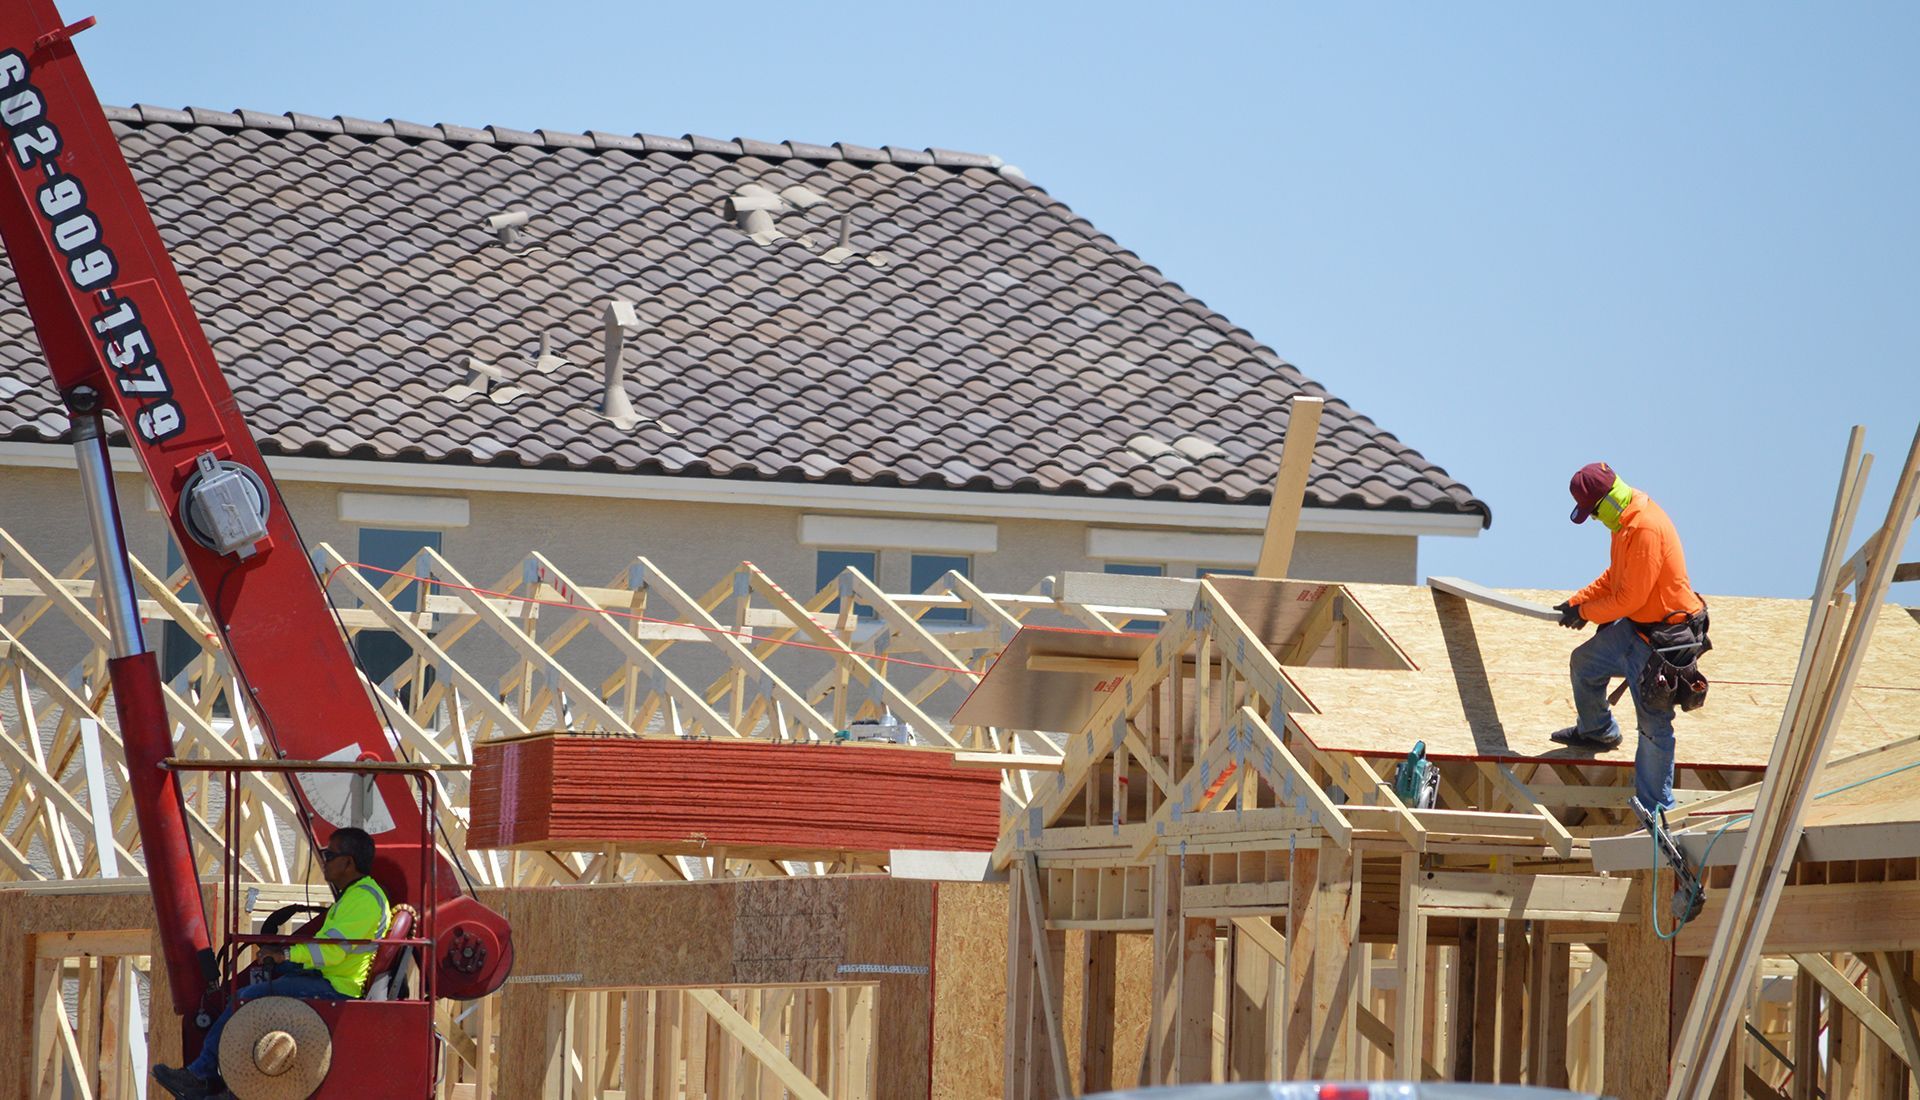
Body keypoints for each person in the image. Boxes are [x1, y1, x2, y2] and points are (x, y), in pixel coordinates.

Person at [153, 827, 391, 1099]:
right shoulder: (356, 895)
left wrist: (286, 956)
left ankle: (201, 1076)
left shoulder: (362, 899)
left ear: (348, 862)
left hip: (336, 986)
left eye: (329, 855)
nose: (323, 861)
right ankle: (229, 1085)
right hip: (331, 976)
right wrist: (283, 955)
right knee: (261, 981)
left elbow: (333, 952)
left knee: (246, 997)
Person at [1550, 462, 1706, 814]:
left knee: (1653, 727)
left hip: (1666, 641)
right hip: (1638, 628)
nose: (1593, 519)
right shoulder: (1623, 522)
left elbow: (1628, 599)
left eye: (1593, 511)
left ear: (1609, 499)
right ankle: (1598, 730)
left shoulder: (1645, 527)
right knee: (1585, 663)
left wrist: (1586, 614)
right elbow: (1614, 577)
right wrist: (1578, 601)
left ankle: (1657, 812)